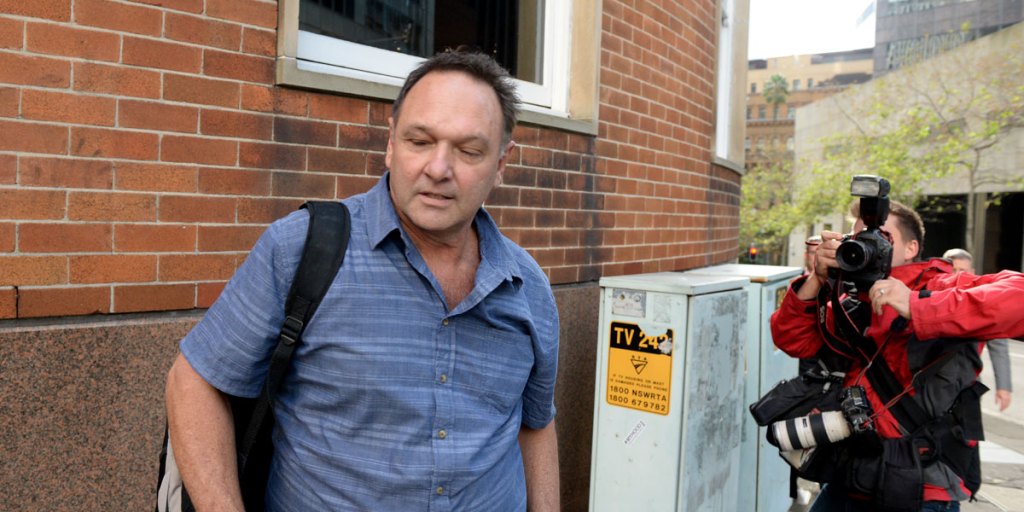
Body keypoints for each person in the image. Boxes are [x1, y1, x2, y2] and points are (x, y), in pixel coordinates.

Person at [165, 51, 561, 511]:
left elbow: (536, 424)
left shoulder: (527, 285)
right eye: (419, 141)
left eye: (469, 151)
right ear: (391, 143)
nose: (438, 168)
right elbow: (194, 381)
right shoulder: (302, 248)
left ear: (501, 163)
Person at [771, 199, 1024, 511]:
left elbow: (1018, 298)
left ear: (911, 248)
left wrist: (917, 305)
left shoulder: (941, 284)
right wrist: (816, 280)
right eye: (858, 238)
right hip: (849, 476)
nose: (867, 246)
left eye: (881, 239)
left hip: (921, 486)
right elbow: (791, 341)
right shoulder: (848, 297)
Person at [943, 248, 1013, 412]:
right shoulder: (928, 296)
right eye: (953, 270)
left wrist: (1003, 387)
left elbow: (999, 346)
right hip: (929, 385)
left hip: (967, 384)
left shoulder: (985, 301)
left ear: (972, 272)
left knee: (967, 434)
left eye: (963, 271)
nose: (958, 276)